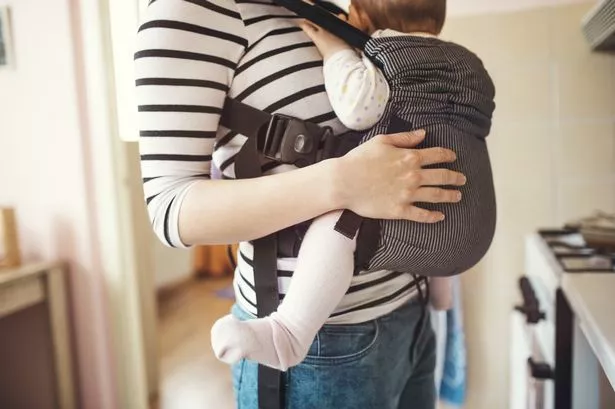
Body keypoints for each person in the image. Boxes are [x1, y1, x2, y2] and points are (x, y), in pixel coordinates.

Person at [135, 0, 467, 408]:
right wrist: (344, 181)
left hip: (412, 316)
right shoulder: (192, 11)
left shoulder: (323, 10)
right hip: (320, 348)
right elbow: (170, 208)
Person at [211, 0, 495, 372]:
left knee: (337, 219)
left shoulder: (392, 59)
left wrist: (335, 48)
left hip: (397, 251)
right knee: (445, 182)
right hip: (473, 233)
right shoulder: (465, 64)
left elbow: (358, 107)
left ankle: (288, 335)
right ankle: (440, 291)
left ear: (361, 17)